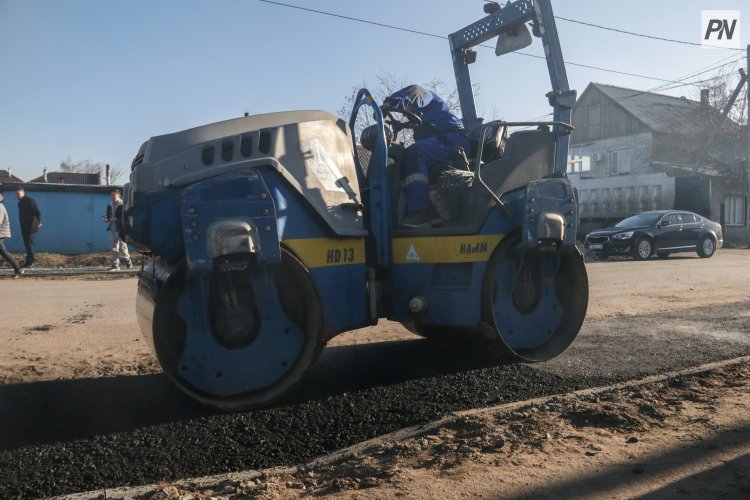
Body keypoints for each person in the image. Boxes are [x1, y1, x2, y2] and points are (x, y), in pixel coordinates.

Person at [382, 84, 471, 227]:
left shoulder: (428, 97)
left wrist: (391, 103)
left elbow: (415, 91)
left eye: (407, 108)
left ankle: (421, 212)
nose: (407, 112)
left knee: (415, 152)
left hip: (454, 141)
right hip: (442, 145)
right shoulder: (419, 122)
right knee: (401, 158)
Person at [104, 189, 132, 270]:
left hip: (121, 228)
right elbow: (108, 216)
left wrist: (116, 219)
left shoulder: (123, 204)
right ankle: (116, 265)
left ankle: (128, 261)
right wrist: (107, 219)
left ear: (118, 195)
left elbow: (126, 217)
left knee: (123, 247)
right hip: (112, 228)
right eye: (111, 195)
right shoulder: (109, 204)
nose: (112, 197)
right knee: (114, 247)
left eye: (114, 195)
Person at [15, 187, 41, 268]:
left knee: (29, 242)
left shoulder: (30, 200)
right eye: (16, 194)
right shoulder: (19, 203)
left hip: (32, 224)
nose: (17, 196)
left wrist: (39, 222)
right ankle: (28, 261)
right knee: (27, 243)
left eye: (18, 194)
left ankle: (32, 261)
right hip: (24, 225)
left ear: (23, 192)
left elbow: (37, 212)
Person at [0, 193, 23, 279]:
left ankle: (18, 269)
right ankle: (18, 269)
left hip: (0, 233)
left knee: (3, 252)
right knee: (3, 252)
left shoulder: (0, 207)